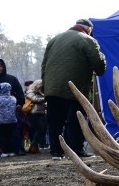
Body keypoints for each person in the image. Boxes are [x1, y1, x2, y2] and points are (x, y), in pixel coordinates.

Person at [41, 18, 107, 160]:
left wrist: (47, 87)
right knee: (76, 120)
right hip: (75, 89)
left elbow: (44, 64)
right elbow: (99, 65)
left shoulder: (54, 39)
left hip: (52, 89)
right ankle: (76, 151)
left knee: (55, 122)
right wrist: (102, 59)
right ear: (88, 29)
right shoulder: (87, 40)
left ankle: (56, 153)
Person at [0, 58, 27, 155]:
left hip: (12, 111)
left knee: (14, 131)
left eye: (0, 66)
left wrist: (20, 104)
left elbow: (20, 93)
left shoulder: (12, 79)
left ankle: (17, 149)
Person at [26, 79, 48, 152]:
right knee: (39, 130)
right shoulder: (30, 91)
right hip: (33, 114)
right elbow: (34, 99)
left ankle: (34, 146)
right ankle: (34, 146)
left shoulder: (41, 92)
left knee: (42, 130)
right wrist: (45, 98)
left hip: (41, 113)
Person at [0, 82, 17, 156]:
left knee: (3, 136)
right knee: (11, 135)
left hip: (2, 120)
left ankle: (5, 151)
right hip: (12, 120)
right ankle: (11, 151)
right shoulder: (13, 99)